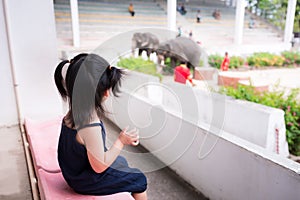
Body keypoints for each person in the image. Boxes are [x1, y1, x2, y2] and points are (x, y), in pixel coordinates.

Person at [54, 53, 147, 200]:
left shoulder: (74, 111)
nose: (107, 94)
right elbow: (99, 167)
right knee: (139, 179)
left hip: (72, 172)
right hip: (83, 181)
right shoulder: (90, 124)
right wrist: (121, 141)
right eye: (106, 89)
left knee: (120, 162)